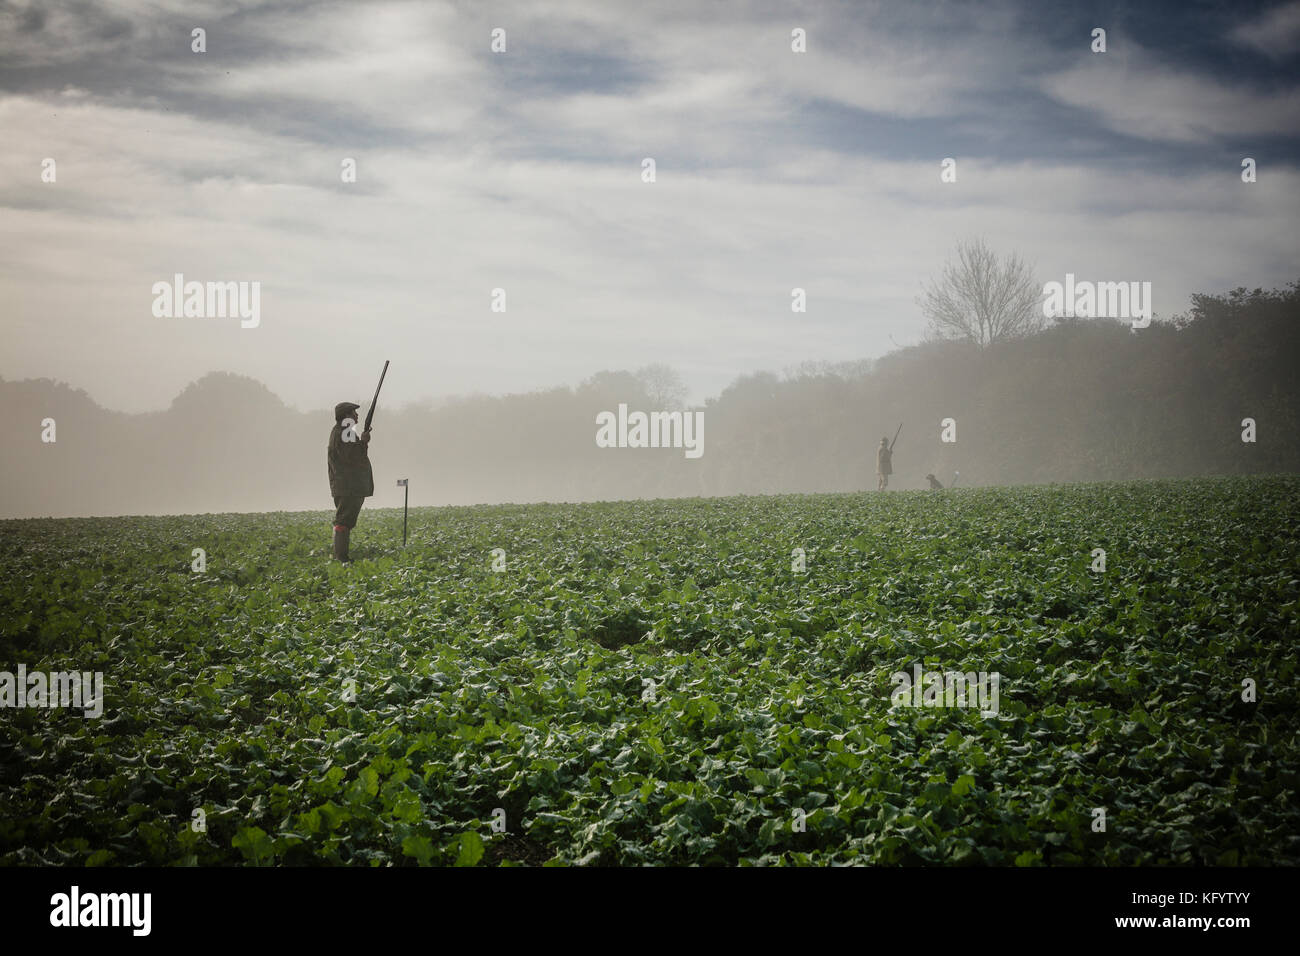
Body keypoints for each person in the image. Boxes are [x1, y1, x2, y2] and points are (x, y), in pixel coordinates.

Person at [328, 401, 374, 561]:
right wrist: (364, 441)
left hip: (346, 486)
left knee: (344, 520)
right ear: (346, 416)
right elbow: (353, 457)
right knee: (344, 521)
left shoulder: (342, 431)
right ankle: (341, 558)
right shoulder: (345, 432)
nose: (357, 415)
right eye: (354, 412)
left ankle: (341, 556)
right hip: (348, 487)